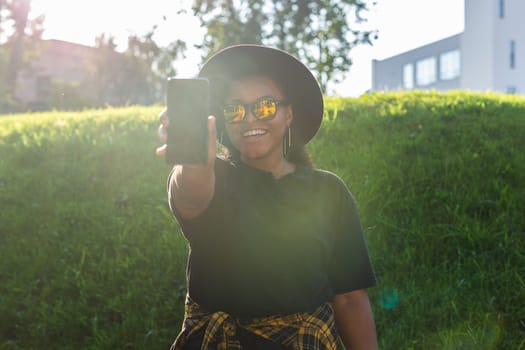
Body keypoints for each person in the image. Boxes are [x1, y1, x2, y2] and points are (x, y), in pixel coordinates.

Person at [166, 45, 378, 349]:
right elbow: (189, 192)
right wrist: (194, 160)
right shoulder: (213, 177)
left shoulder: (328, 192)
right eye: (235, 109)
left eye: (264, 106)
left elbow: (350, 300)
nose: (250, 119)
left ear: (288, 113)